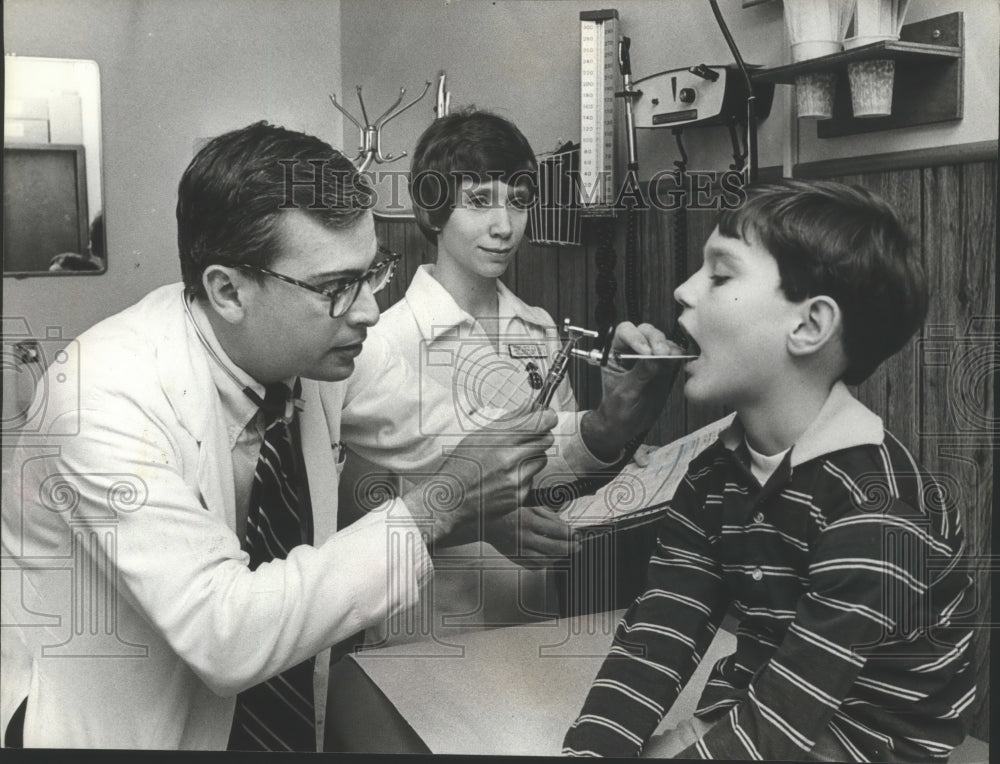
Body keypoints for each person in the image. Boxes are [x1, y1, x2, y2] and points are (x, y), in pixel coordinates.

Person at [0, 121, 674, 750]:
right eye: (337, 286)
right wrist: (436, 507)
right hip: (113, 726)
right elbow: (225, 633)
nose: (371, 310)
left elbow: (468, 450)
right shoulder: (103, 395)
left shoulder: (317, 354)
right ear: (228, 291)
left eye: (373, 272)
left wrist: (603, 427)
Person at [562, 181, 977, 761]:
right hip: (760, 700)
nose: (683, 290)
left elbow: (787, 714)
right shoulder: (712, 477)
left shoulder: (876, 510)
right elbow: (658, 634)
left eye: (719, 274)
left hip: (872, 741)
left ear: (809, 326)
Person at [343, 108, 641, 639]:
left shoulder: (539, 328)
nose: (504, 227)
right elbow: (357, 519)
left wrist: (615, 450)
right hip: (425, 634)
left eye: (519, 202)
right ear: (433, 211)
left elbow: (553, 470)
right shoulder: (382, 342)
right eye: (479, 201)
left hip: (532, 618)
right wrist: (481, 525)